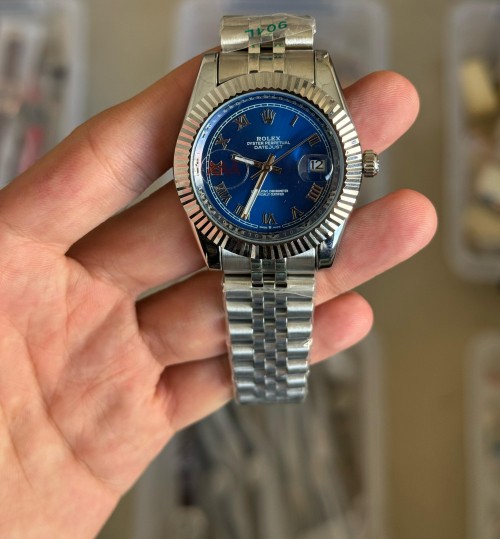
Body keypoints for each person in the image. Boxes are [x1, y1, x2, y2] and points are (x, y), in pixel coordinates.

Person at [0, 53, 437, 538]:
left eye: (272, 164)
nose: (268, 166)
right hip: (248, 227)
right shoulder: (221, 165)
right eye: (261, 164)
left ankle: (270, 383)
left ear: (356, 165)